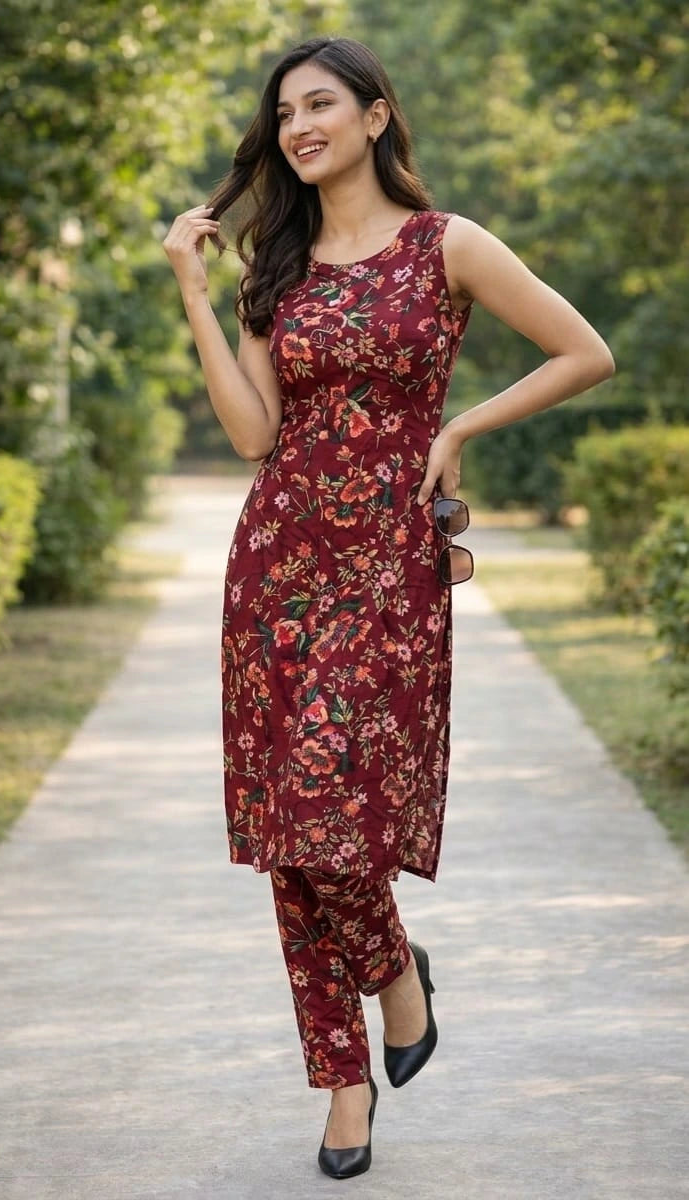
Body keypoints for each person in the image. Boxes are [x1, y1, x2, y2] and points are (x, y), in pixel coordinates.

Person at [162, 35, 614, 1181]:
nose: (298, 125)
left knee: (327, 811)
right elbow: (254, 436)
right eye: (284, 113)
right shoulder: (279, 266)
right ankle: (344, 1082)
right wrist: (195, 292)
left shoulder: (446, 244)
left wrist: (457, 428)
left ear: (375, 115)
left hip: (389, 571)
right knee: (288, 837)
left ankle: (396, 975)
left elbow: (583, 351)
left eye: (321, 103)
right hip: (276, 568)